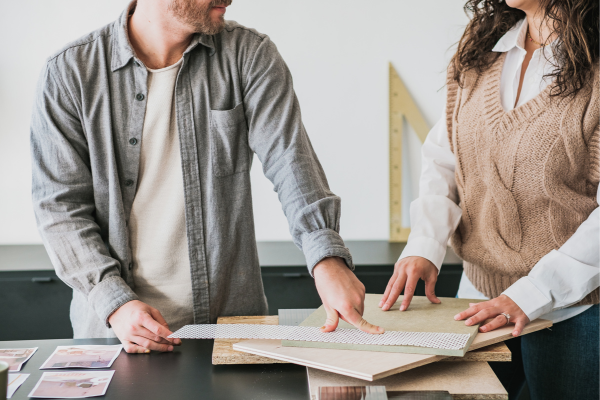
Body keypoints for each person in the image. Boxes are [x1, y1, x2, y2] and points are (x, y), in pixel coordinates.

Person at [31, 0, 383, 354]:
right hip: (116, 331)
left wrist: (326, 258)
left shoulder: (249, 54)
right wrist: (116, 302)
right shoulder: (70, 73)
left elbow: (289, 160)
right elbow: (60, 208)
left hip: (230, 330)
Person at [379, 0, 598, 399]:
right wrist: (424, 245)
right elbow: (445, 158)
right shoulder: (480, 49)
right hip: (477, 295)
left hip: (576, 309)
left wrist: (531, 294)